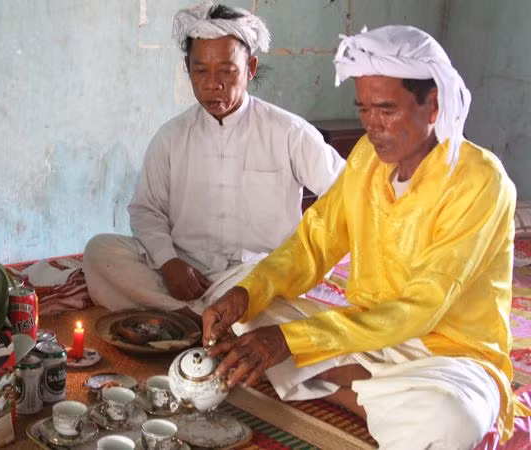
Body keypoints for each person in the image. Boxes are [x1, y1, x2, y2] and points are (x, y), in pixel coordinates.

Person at [202, 25, 527, 448]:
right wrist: (247, 294)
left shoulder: (481, 181)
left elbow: (420, 307)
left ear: (433, 104)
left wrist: (292, 341)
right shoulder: (366, 160)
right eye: (364, 110)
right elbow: (311, 245)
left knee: (450, 418)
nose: (373, 126)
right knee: (240, 303)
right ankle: (369, 394)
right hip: (365, 337)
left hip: (447, 357)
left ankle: (347, 392)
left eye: (387, 110)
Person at [83, 2, 345, 315]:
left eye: (226, 71)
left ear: (250, 68)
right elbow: (146, 210)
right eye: (201, 71)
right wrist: (168, 263)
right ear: (187, 68)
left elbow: (343, 196)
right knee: (101, 251)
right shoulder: (171, 137)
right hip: (186, 272)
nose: (212, 84)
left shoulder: (290, 132)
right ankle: (197, 317)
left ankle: (185, 318)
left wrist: (301, 258)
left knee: (267, 289)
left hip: (254, 275)